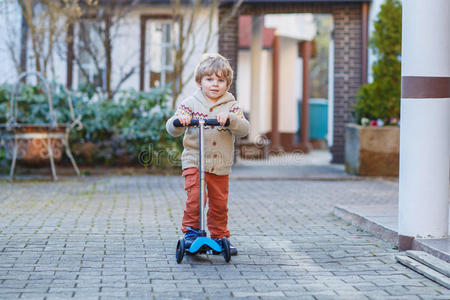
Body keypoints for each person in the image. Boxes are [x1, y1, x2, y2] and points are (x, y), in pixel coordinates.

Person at [166, 53, 249, 255]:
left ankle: (220, 236)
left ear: (227, 83)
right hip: (194, 160)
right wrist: (180, 120)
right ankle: (191, 233)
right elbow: (171, 127)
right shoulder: (190, 104)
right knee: (195, 198)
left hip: (219, 164)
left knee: (219, 203)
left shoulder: (232, 106)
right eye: (209, 79)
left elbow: (244, 128)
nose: (215, 84)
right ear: (199, 81)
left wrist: (230, 119)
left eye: (220, 80)